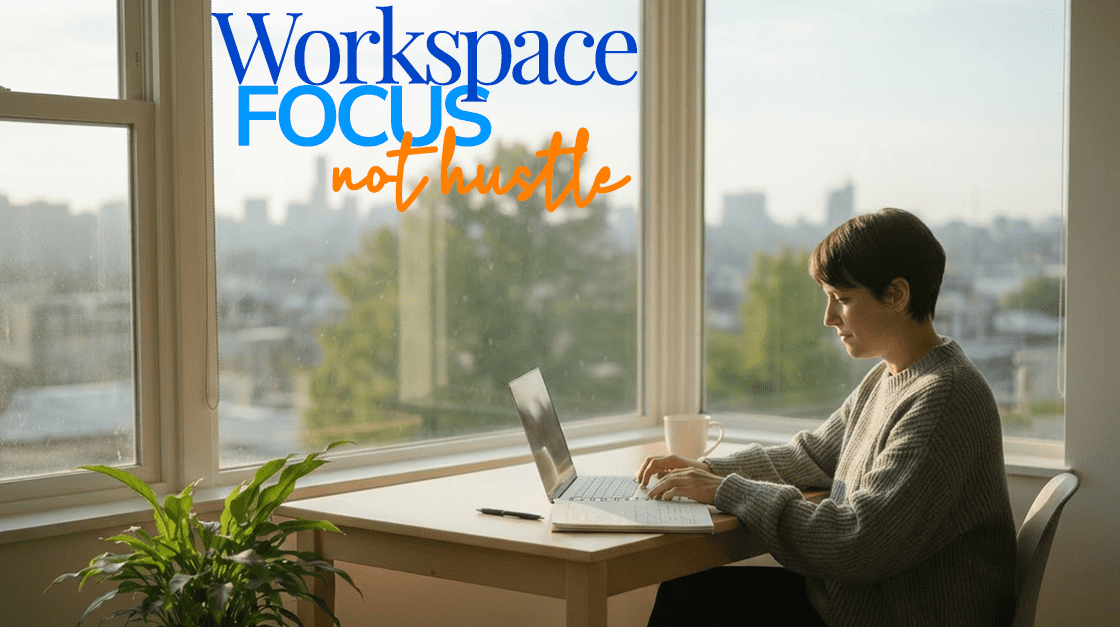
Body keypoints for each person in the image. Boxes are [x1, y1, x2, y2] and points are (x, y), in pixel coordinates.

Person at [637, 208, 1017, 627]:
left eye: (843, 299)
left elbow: (855, 541)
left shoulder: (944, 396)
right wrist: (705, 470)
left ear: (896, 295)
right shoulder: (890, 377)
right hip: (855, 606)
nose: (829, 317)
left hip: (892, 616)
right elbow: (813, 456)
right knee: (687, 593)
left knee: (689, 603)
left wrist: (725, 490)